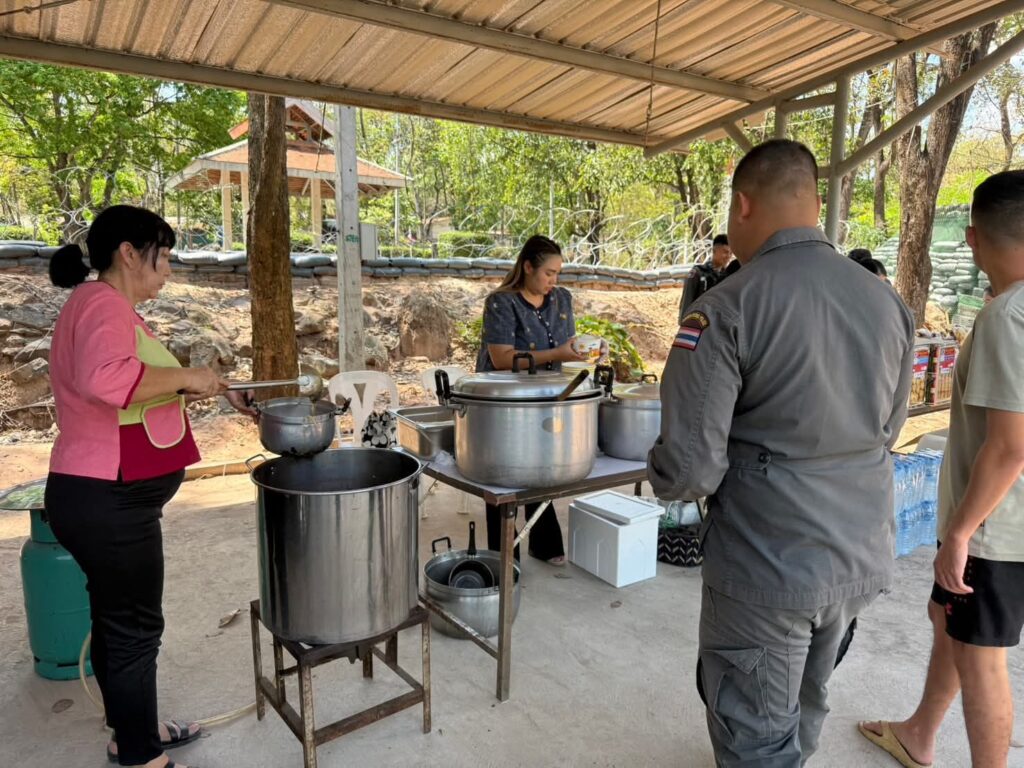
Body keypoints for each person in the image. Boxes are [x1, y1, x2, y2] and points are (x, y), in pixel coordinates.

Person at [648, 139, 915, 767]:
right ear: (815, 202)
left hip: (769, 563)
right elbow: (889, 427)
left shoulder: (727, 307)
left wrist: (658, 472)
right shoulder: (886, 301)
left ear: (742, 205)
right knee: (805, 700)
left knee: (755, 735)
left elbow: (690, 470)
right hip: (859, 552)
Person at [43, 205, 255, 768]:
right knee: (136, 628)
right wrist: (187, 375)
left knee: (115, 620)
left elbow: (135, 384)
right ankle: (142, 756)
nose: (168, 269)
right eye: (163, 256)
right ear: (130, 253)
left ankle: (130, 731)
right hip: (109, 497)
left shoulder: (97, 305)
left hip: (94, 492)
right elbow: (107, 380)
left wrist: (215, 387)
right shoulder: (104, 305)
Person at [860, 171, 1024, 768]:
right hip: (1001, 517)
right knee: (944, 614)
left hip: (994, 525)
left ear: (973, 238)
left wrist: (959, 534)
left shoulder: (1008, 316)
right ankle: (920, 732)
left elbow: (1010, 447)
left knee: (982, 657)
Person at [477, 234, 586, 564]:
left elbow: (568, 344)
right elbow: (500, 358)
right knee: (503, 474)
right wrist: (557, 353)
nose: (554, 281)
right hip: (503, 401)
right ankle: (504, 559)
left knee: (542, 465)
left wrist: (586, 349)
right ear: (527, 267)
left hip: (544, 394)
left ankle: (543, 542)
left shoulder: (561, 299)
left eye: (557, 273)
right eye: (548, 273)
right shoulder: (501, 302)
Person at [678, 233, 734, 322]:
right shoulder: (698, 273)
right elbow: (687, 301)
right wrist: (684, 323)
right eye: (725, 252)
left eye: (731, 253)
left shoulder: (727, 276)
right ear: (714, 251)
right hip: (698, 322)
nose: (728, 256)